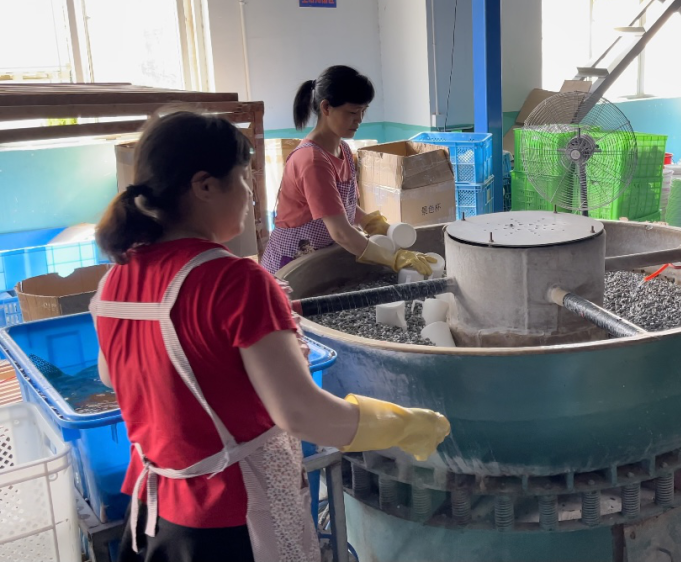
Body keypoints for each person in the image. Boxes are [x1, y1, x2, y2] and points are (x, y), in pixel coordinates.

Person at [92, 111, 451, 562]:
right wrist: (403, 424)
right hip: (227, 522)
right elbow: (301, 414)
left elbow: (114, 375)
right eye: (243, 178)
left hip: (152, 515)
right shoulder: (235, 280)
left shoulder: (116, 279)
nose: (249, 194)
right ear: (204, 186)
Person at [261, 65, 435, 275]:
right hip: (292, 262)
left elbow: (343, 206)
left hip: (320, 254)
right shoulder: (312, 160)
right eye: (352, 112)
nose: (359, 119)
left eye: (363, 111)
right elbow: (341, 232)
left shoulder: (342, 148)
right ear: (326, 108)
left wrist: (373, 224)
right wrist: (392, 259)